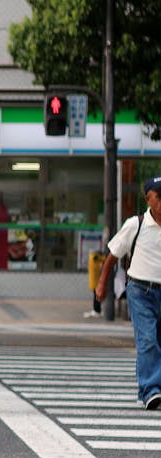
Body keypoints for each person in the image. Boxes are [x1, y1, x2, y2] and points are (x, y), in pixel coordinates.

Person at [96, 176, 161, 410]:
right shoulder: (136, 224)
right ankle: (151, 390)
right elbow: (113, 255)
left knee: (156, 342)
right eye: (159, 195)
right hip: (141, 290)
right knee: (147, 340)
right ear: (148, 198)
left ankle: (152, 387)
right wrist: (102, 284)